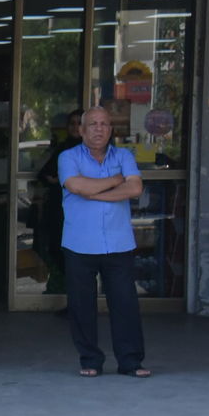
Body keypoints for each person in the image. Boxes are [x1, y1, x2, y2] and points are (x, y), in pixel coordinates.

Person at [58, 106, 150, 378]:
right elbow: (76, 187)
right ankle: (90, 360)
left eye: (104, 124)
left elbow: (134, 188)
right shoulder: (68, 157)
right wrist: (114, 181)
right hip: (79, 243)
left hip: (118, 243)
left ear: (111, 130)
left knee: (125, 305)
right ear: (81, 130)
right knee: (81, 306)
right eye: (93, 124)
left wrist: (93, 192)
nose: (99, 129)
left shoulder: (124, 155)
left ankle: (131, 362)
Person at [35, 109, 82, 298]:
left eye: (80, 123)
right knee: (56, 249)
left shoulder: (92, 149)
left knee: (76, 256)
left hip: (80, 210)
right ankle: (72, 298)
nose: (75, 127)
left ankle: (79, 301)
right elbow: (45, 174)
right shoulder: (63, 148)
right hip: (59, 208)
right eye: (72, 123)